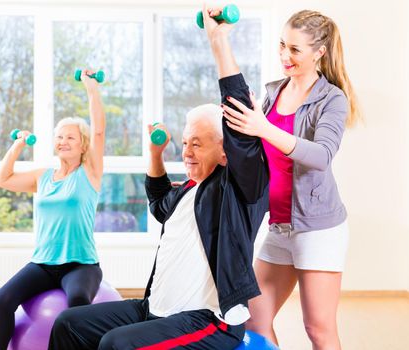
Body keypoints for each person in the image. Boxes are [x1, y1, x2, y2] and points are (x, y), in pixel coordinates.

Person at [47, 33, 269, 350]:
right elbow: (159, 204)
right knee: (68, 323)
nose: (187, 152)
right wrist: (155, 154)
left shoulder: (237, 191)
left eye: (198, 144)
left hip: (207, 319)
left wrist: (218, 41)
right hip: (154, 310)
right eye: (185, 143)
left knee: (116, 344)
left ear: (225, 153)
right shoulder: (190, 189)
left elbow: (241, 132)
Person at [205, 6, 361, 350]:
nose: (284, 56)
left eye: (294, 49)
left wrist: (264, 128)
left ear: (319, 52)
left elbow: (321, 155)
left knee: (318, 329)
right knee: (256, 320)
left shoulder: (331, 99)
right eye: (281, 45)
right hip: (279, 226)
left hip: (318, 229)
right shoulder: (273, 92)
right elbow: (261, 152)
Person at [0, 69, 106, 350]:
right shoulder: (43, 177)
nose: (63, 141)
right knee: (3, 299)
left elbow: (99, 127)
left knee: (77, 303)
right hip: (43, 263)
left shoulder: (89, 172)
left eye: (70, 137)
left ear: (83, 146)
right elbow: (2, 179)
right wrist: (18, 145)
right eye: (59, 137)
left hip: (81, 264)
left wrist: (90, 87)